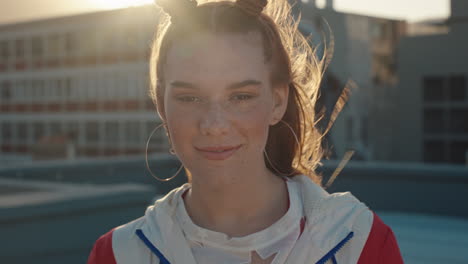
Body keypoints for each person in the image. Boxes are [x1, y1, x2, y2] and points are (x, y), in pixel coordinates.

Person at [87, 0, 404, 263]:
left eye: (241, 97)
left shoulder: (360, 243)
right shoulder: (118, 254)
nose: (214, 124)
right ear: (161, 104)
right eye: (190, 98)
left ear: (277, 102)